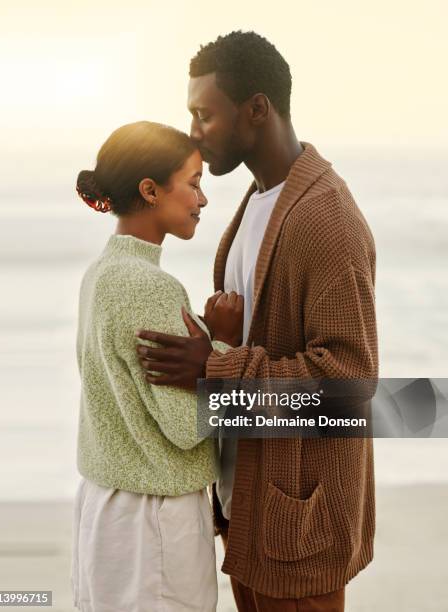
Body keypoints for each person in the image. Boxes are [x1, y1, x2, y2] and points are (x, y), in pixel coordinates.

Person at [136, 32, 378, 611]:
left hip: (298, 527)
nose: (193, 132)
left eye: (204, 115)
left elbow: (346, 388)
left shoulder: (328, 222)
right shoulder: (255, 201)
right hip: (248, 510)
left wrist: (216, 366)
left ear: (257, 110)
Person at [71, 121, 244, 612]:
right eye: (193, 182)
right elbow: (186, 427)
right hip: (154, 522)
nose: (202, 199)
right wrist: (224, 347)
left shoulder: (101, 273)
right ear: (150, 190)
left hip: (107, 510)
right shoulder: (148, 286)